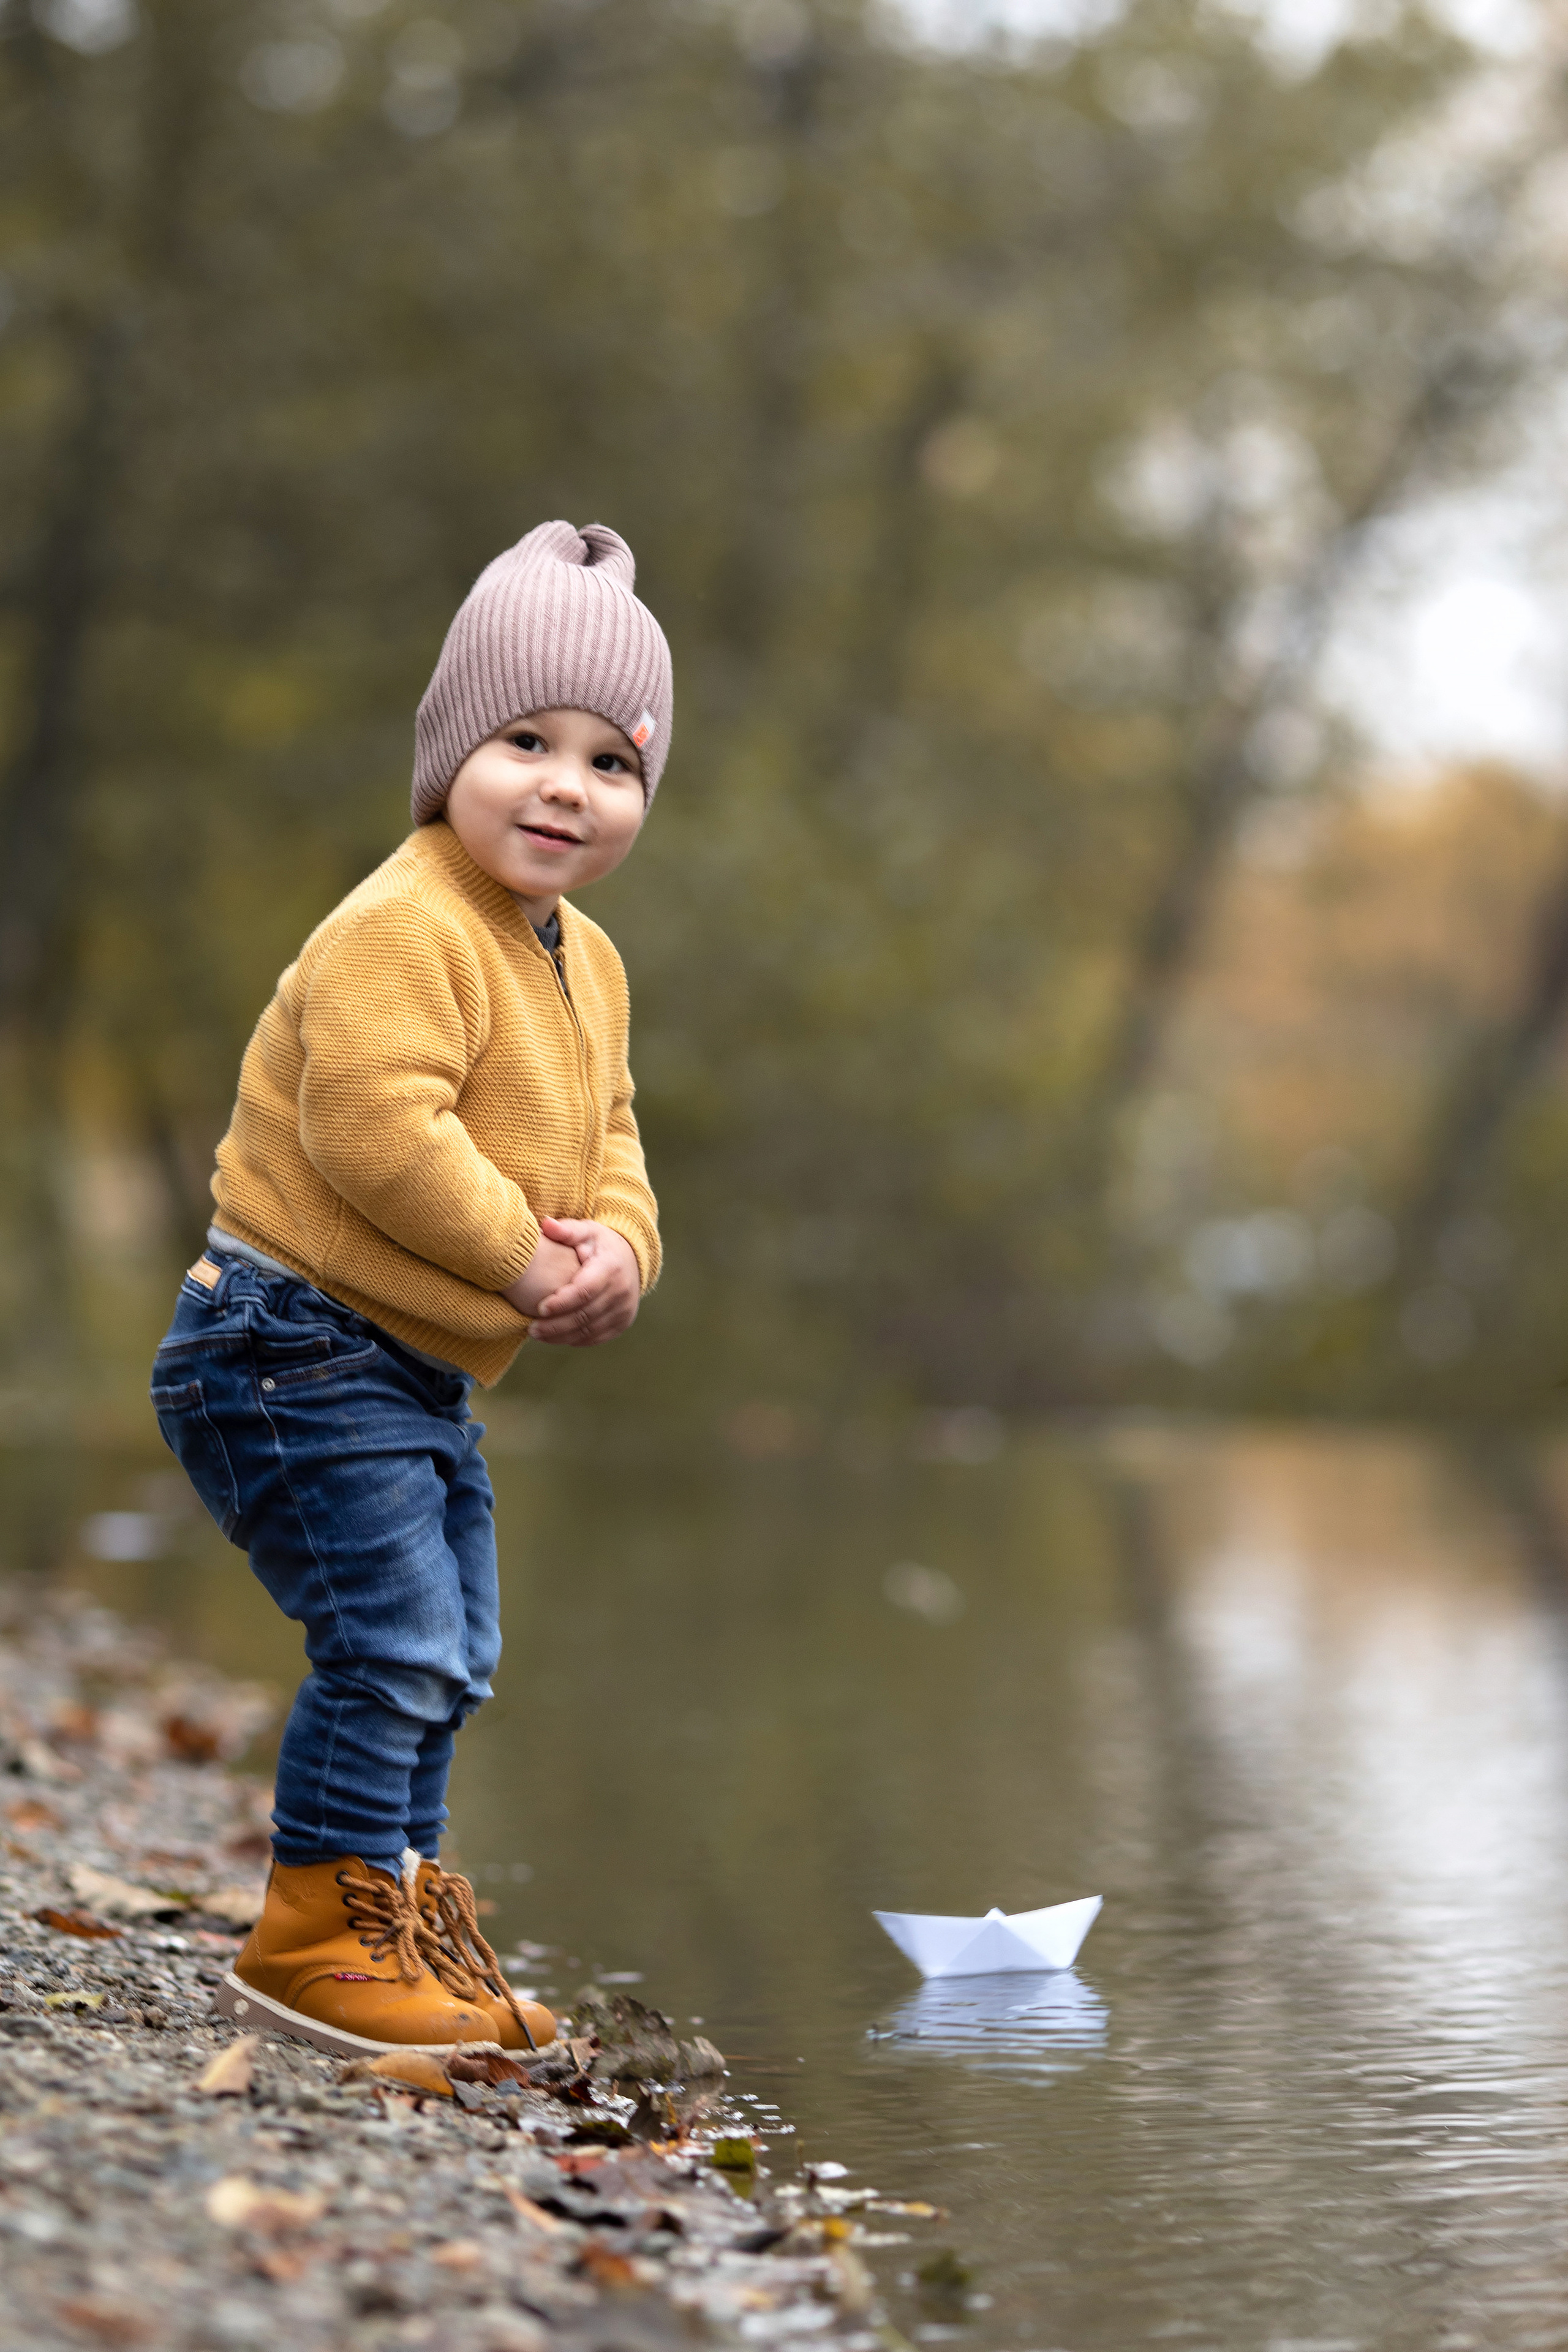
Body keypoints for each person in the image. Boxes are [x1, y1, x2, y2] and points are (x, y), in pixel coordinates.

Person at [150, 521, 669, 2057]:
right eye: (526, 743)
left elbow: (612, 1131)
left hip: (402, 1364)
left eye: (611, 761)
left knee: (451, 1657)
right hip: (282, 1341)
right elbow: (373, 1131)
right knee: (390, 1641)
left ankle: (404, 1920)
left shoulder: (586, 960)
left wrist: (620, 1248)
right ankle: (315, 1937)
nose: (566, 786)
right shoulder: (403, 922)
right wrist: (521, 1258)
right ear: (450, 751)